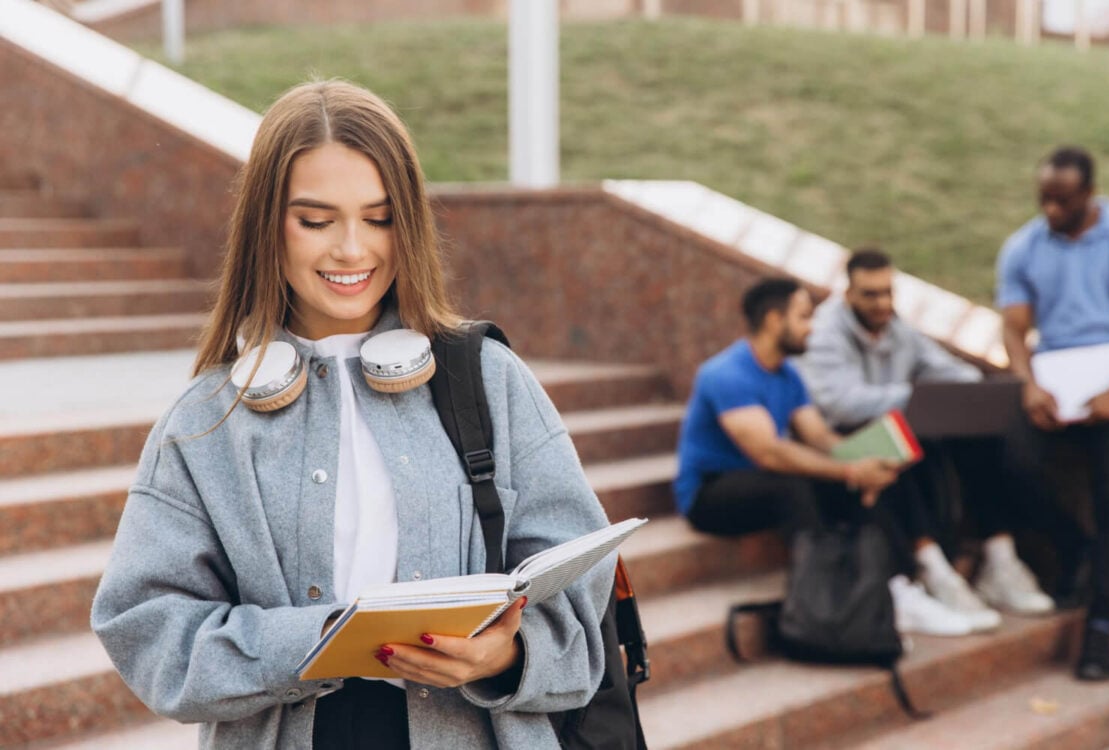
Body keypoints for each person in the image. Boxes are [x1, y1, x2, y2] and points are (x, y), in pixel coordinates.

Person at [90, 80, 615, 748]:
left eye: (379, 218)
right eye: (315, 221)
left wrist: (506, 655)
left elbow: (578, 591)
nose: (351, 250)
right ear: (266, 226)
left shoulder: (489, 379)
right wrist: (315, 642)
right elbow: (146, 626)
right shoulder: (206, 421)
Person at [674, 276, 983, 637]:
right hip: (709, 494)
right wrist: (849, 471)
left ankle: (905, 581)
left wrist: (869, 462)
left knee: (879, 474)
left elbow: (819, 437)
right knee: (796, 486)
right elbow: (769, 453)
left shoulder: (788, 373)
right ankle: (829, 600)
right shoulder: (726, 373)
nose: (813, 328)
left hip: (765, 479)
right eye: (804, 317)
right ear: (774, 320)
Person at [797, 248, 1055, 624]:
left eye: (888, 292)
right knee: (902, 437)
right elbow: (841, 404)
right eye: (870, 294)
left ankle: (999, 557)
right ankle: (932, 568)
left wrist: (967, 394)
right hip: (841, 444)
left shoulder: (896, 326)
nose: (882, 303)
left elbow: (951, 370)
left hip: (897, 427)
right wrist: (916, 398)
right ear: (848, 293)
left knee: (977, 433)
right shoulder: (825, 333)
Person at [997, 145, 1109, 681]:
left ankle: (1101, 626)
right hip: (1054, 375)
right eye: (1044, 199)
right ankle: (1075, 547)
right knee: (1012, 464)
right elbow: (1013, 327)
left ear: (1088, 194)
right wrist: (1028, 384)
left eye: (1063, 201)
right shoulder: (1024, 246)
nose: (1051, 209)